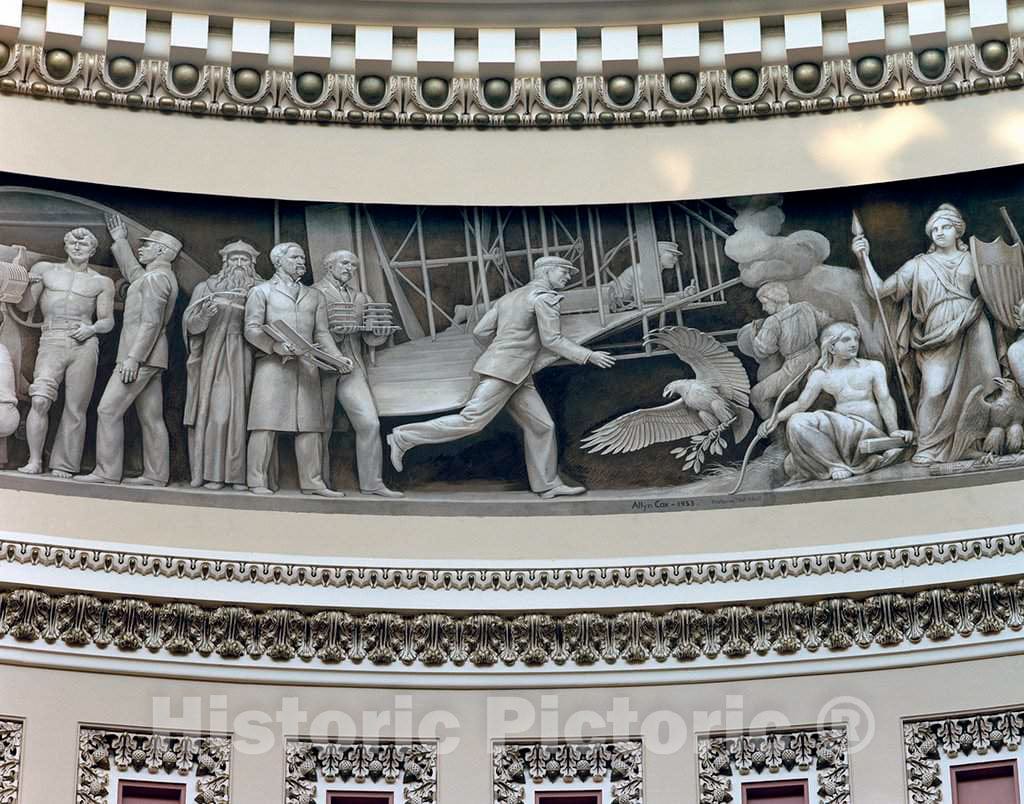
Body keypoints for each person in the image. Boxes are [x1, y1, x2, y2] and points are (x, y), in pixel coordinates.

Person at [387, 255, 616, 498]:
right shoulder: (545, 298)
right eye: (564, 271)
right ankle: (403, 436)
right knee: (471, 420)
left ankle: (547, 485)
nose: (568, 277)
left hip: (514, 372)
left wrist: (501, 351)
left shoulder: (509, 298)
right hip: (506, 372)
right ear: (546, 271)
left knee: (542, 426)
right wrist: (588, 355)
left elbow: (480, 331)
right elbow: (552, 340)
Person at [855, 203, 1001, 464]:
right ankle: (928, 446)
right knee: (934, 389)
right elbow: (878, 291)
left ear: (958, 231)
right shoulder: (918, 265)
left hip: (973, 326)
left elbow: (998, 289)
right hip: (936, 329)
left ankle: (973, 442)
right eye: (934, 229)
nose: (939, 232)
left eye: (945, 227)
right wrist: (863, 258)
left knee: (980, 384)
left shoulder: (975, 258)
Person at [76, 216, 180, 486]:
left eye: (146, 245)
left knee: (108, 411)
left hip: (139, 356)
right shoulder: (156, 276)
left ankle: (107, 471)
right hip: (153, 357)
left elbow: (151, 322)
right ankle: (157, 475)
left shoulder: (156, 278)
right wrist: (120, 241)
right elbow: (135, 275)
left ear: (161, 251)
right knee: (151, 417)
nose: (141, 248)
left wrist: (133, 358)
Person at [244, 242, 352, 496]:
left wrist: (338, 357)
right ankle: (256, 481)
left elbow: (322, 332)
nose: (301, 261)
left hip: (306, 366)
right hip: (272, 366)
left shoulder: (314, 295)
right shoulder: (261, 292)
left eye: (303, 257)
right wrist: (274, 346)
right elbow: (251, 329)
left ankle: (313, 482)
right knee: (264, 425)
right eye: (295, 257)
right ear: (278, 261)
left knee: (310, 427)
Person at [758, 322, 913, 482]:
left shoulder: (873, 367)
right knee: (796, 421)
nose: (853, 344)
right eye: (846, 340)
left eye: (855, 339)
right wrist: (776, 418)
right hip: (841, 434)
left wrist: (894, 431)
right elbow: (800, 405)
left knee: (796, 458)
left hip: (868, 430)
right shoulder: (822, 375)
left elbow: (885, 400)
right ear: (831, 348)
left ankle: (836, 464)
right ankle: (836, 465)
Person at [15, 228, 115, 477]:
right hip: (52, 339)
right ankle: (35, 460)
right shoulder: (45, 271)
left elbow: (107, 321)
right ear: (65, 246)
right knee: (40, 399)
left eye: (84, 244)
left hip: (84, 343)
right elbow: (26, 305)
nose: (78, 247)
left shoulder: (102, 282)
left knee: (75, 407)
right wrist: (28, 283)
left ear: (92, 250)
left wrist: (91, 328)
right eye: (73, 242)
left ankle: (64, 465)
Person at [314, 249, 402, 498]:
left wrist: (380, 331)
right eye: (344, 263)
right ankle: (319, 483)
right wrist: (334, 334)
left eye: (353, 265)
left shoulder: (361, 297)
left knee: (369, 423)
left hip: (352, 368)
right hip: (321, 367)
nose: (349, 269)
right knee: (321, 428)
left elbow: (370, 338)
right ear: (329, 265)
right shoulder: (313, 293)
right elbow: (309, 331)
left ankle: (372, 483)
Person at [182, 240, 260, 490]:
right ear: (225, 262)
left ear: (252, 264)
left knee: (248, 416)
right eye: (234, 259)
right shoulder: (206, 287)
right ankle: (213, 474)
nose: (239, 264)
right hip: (216, 359)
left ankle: (241, 476)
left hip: (250, 358)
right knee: (218, 414)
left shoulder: (262, 289)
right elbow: (191, 327)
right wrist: (204, 315)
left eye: (244, 259)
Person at [738, 281, 832, 419]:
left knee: (756, 395)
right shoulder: (805, 307)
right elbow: (825, 320)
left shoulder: (773, 322)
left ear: (775, 300)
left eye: (765, 303)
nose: (764, 308)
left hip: (794, 366)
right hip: (815, 354)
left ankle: (774, 430)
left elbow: (764, 351)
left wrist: (756, 334)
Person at [608, 240, 685, 311]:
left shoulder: (653, 269)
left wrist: (682, 294)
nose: (676, 259)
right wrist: (675, 298)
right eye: (673, 255)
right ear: (658, 254)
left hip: (618, 300)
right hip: (605, 298)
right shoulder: (644, 270)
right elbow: (643, 300)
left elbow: (654, 296)